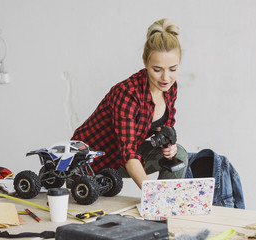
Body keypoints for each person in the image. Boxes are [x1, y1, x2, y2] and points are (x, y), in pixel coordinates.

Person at [71, 18, 188, 189]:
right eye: (157, 69)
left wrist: (169, 145)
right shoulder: (127, 94)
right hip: (86, 165)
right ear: (145, 62)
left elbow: (166, 127)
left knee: (181, 155)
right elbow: (128, 153)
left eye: (172, 69)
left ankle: (165, 205)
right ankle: (157, 201)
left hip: (118, 157)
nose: (165, 78)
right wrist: (151, 194)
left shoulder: (170, 88)